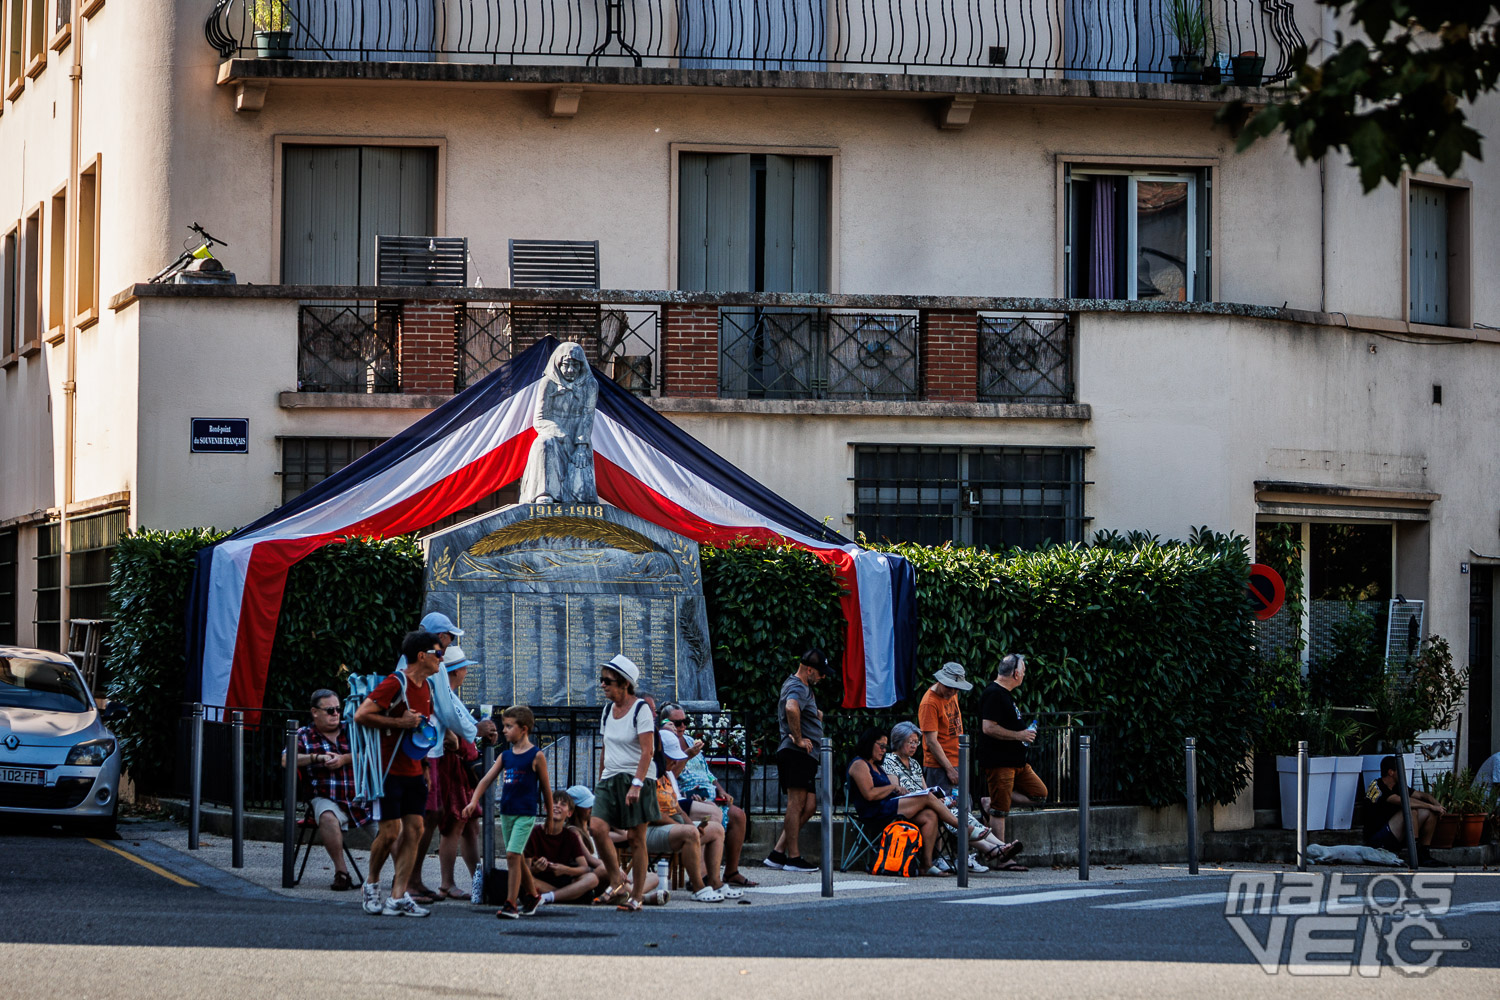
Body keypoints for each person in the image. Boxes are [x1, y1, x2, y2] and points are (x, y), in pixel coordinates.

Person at [353, 630, 443, 917]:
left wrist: (426, 766)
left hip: (414, 770)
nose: (442, 659)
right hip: (387, 769)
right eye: (438, 653)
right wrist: (399, 721)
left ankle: (398, 897)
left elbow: (422, 731)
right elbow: (362, 714)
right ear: (422, 656)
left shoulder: (427, 687)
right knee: (391, 832)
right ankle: (371, 884)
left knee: (415, 829)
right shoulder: (396, 683)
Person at [884, 721, 1022, 872]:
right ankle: (995, 847)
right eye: (910, 742)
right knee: (953, 815)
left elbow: (925, 790)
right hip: (908, 806)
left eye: (917, 742)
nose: (914, 746)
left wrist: (937, 798)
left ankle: (997, 846)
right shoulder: (889, 761)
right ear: (898, 741)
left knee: (957, 811)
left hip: (925, 802)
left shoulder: (915, 763)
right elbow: (896, 792)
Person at [464, 704, 553, 918]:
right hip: (506, 812)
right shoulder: (505, 756)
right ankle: (532, 896)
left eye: (509, 726)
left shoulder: (536, 755)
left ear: (524, 729)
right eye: (504, 725)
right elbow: (486, 780)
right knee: (518, 856)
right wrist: (473, 801)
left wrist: (549, 815)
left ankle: (511, 903)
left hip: (525, 813)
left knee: (512, 855)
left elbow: (546, 788)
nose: (503, 730)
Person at [588, 653, 660, 912]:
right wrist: (600, 781)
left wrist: (637, 784)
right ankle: (618, 879)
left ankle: (637, 896)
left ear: (624, 683)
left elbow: (647, 751)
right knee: (596, 827)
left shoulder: (641, 709)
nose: (603, 685)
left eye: (607, 681)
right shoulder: (607, 710)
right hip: (610, 778)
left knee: (636, 838)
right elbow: (605, 749)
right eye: (602, 680)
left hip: (637, 777)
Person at [660, 702, 758, 887]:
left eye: (685, 721)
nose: (682, 726)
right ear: (666, 722)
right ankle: (704, 875)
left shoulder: (690, 740)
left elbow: (707, 772)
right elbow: (670, 774)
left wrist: (721, 790)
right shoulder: (665, 743)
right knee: (712, 816)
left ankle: (731, 871)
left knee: (739, 815)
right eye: (677, 722)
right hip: (687, 796)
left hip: (709, 795)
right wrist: (687, 755)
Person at [846, 727, 965, 876]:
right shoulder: (859, 764)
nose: (884, 750)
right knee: (926, 797)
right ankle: (962, 827)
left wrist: (895, 790)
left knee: (930, 815)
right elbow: (869, 794)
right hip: (874, 812)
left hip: (888, 807)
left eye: (885, 747)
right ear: (869, 743)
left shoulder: (876, 765)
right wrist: (893, 787)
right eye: (881, 746)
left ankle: (926, 864)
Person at [286, 688, 368, 891]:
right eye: (330, 710)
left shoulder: (352, 730)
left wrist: (344, 759)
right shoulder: (304, 734)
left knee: (391, 821)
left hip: (360, 796)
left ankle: (402, 877)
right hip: (326, 796)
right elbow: (285, 759)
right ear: (315, 712)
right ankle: (342, 873)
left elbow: (372, 753)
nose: (335, 714)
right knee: (327, 816)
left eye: (338, 709)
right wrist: (317, 757)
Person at [651, 728, 742, 901]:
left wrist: (690, 823)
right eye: (672, 758)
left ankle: (715, 881)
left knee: (715, 829)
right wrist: (684, 827)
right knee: (690, 832)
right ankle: (698, 886)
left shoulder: (666, 775)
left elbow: (676, 807)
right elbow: (653, 814)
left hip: (673, 825)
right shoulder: (649, 776)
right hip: (653, 828)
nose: (674, 763)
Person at [765, 648, 827, 873]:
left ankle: (777, 852)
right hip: (796, 753)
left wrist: (815, 714)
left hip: (806, 756)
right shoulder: (797, 686)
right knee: (796, 804)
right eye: (820, 673)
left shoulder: (803, 687)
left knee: (809, 806)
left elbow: (797, 708)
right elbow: (791, 707)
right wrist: (799, 739)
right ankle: (793, 858)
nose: (823, 677)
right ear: (809, 669)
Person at [977, 653, 1046, 855]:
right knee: (1000, 811)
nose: (1024, 675)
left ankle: (990, 801)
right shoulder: (994, 694)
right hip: (1000, 762)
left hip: (1017, 762)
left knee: (1039, 795)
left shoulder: (1004, 694)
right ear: (1016, 673)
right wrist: (1019, 734)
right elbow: (988, 728)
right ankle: (1001, 855)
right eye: (1023, 671)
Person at [1364, 755, 1449, 866]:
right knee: (1411, 811)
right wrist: (1430, 806)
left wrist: (1437, 806)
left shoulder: (1397, 786)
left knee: (1430, 813)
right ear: (1391, 772)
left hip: (1394, 833)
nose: (1403, 773)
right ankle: (1415, 853)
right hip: (1378, 839)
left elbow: (1423, 795)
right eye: (1400, 770)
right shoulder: (1379, 787)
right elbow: (1404, 802)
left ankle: (1424, 854)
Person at [524, 791, 605, 905]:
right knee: (525, 880)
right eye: (554, 802)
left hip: (563, 879)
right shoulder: (534, 833)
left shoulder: (570, 836)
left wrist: (565, 869)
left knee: (592, 878)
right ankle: (569, 896)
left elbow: (585, 868)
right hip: (540, 880)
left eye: (563, 804)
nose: (557, 806)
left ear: (570, 813)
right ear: (546, 808)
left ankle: (548, 897)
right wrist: (536, 869)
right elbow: (525, 870)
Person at [918, 662, 971, 792]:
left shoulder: (951, 693)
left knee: (962, 806)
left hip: (957, 761)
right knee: (944, 807)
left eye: (956, 688)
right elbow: (931, 741)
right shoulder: (929, 703)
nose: (952, 692)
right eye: (949, 687)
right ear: (940, 681)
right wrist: (949, 769)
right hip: (940, 766)